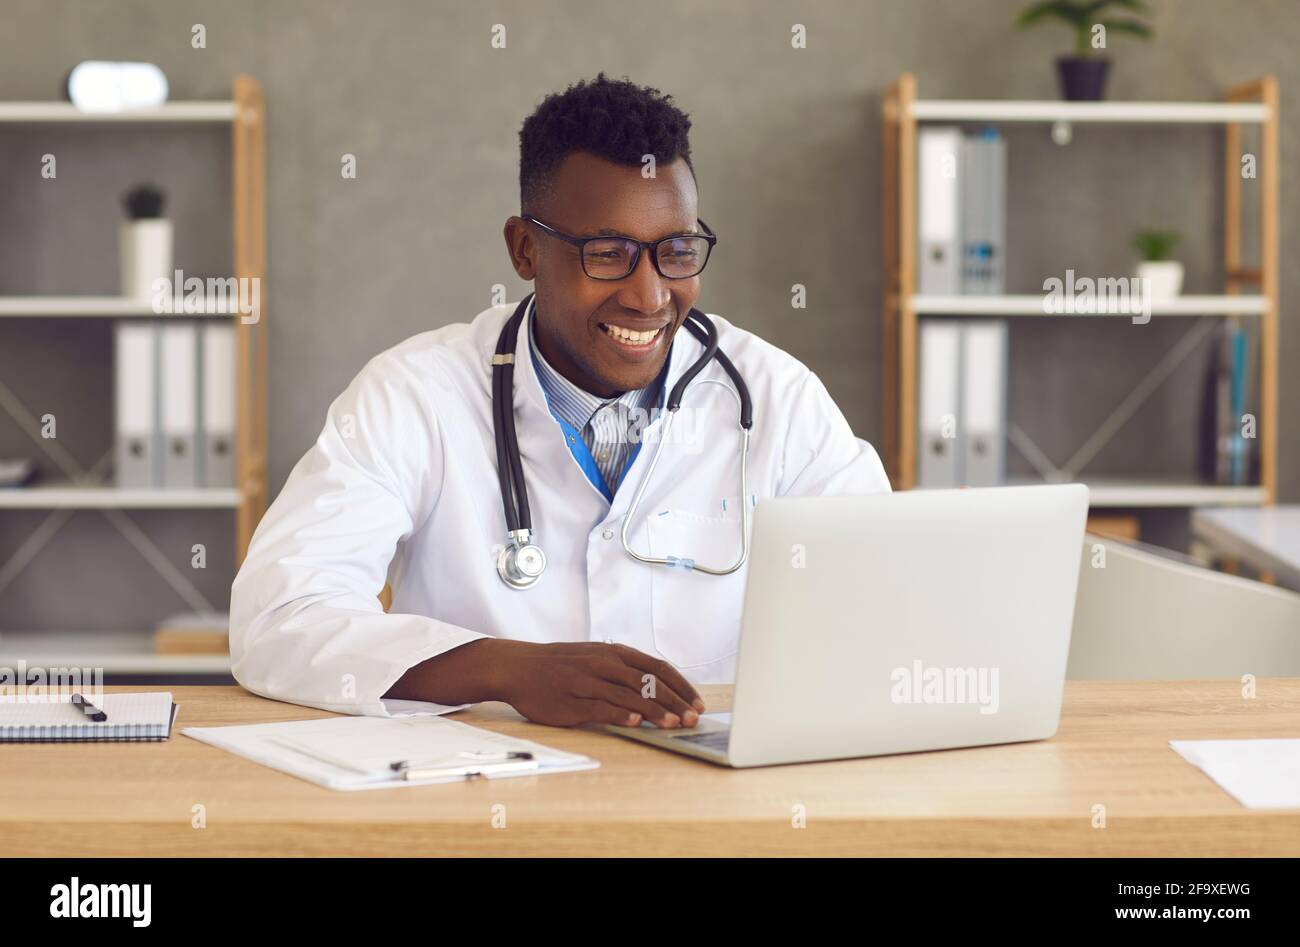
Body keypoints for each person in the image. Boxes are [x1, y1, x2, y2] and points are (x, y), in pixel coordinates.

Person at [229, 73, 889, 729]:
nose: (650, 295)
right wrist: (506, 669)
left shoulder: (777, 399)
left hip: (711, 805)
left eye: (676, 252)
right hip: (484, 800)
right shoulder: (414, 396)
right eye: (608, 253)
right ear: (524, 248)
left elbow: (889, 604)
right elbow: (279, 618)